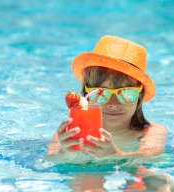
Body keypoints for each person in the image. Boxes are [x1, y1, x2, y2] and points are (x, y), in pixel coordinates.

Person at [45, 35, 167, 163]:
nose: (113, 104)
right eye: (101, 93)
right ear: (87, 96)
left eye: (126, 93)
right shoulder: (71, 134)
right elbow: (49, 161)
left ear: (139, 97)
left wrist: (116, 155)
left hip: (133, 175)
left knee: (158, 180)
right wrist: (64, 153)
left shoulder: (151, 131)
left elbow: (151, 156)